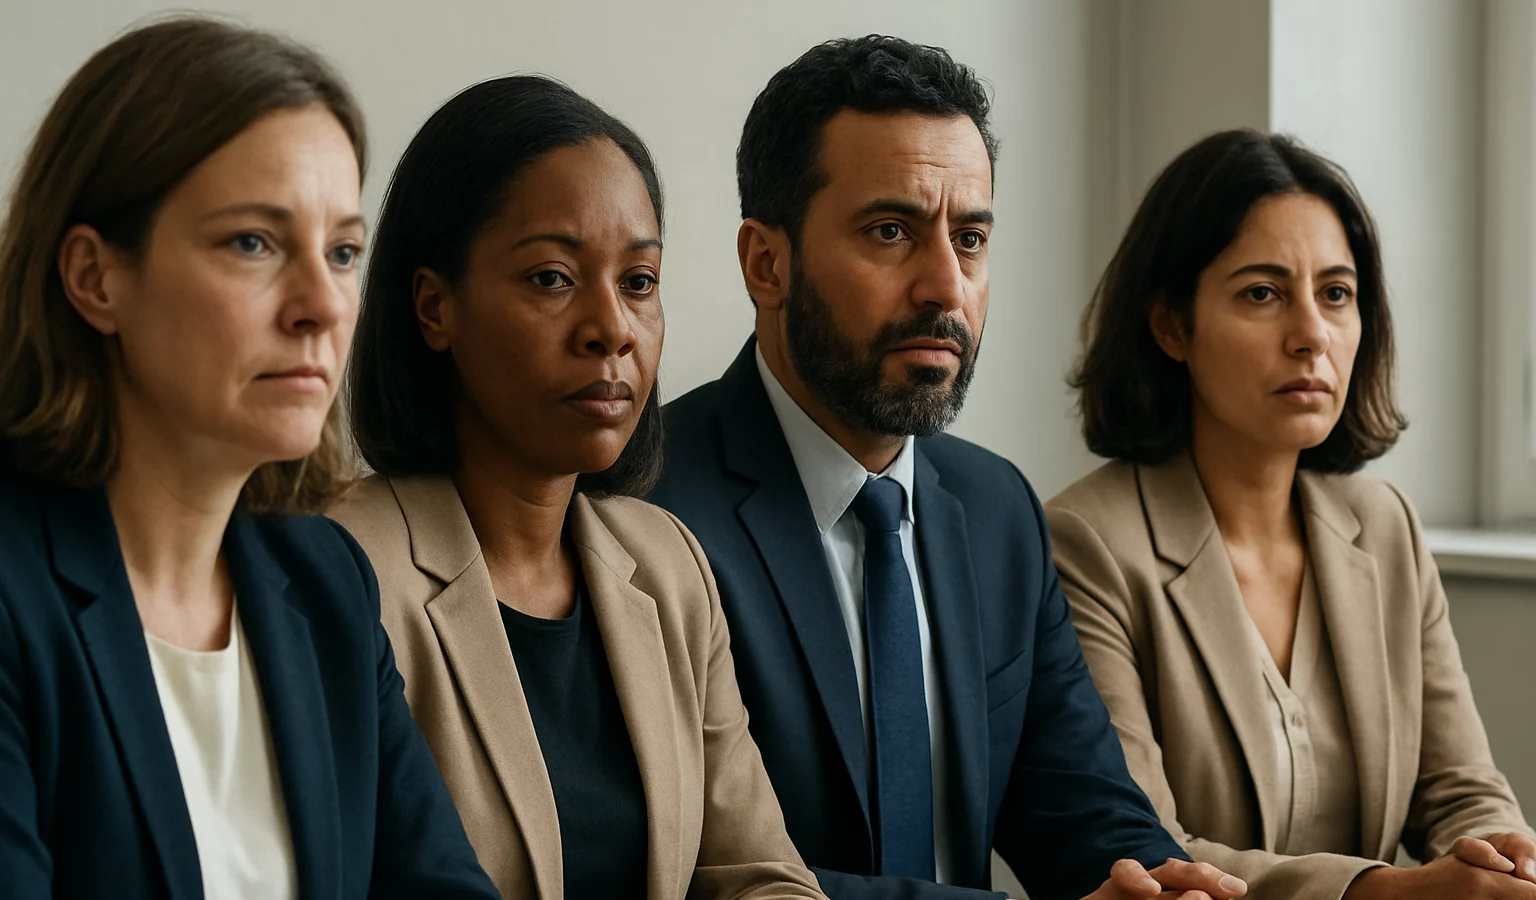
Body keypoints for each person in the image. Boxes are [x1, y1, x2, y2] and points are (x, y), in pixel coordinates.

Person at [648, 35, 1245, 900]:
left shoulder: (997, 508)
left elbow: (1084, 810)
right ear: (766, 264)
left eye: (969, 238)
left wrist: (1167, 887)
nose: (944, 285)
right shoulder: (648, 509)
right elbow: (701, 872)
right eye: (891, 232)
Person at [0, 18, 498, 900]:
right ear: (94, 278)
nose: (323, 305)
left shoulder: (326, 580)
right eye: (253, 243)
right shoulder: (14, 597)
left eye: (342, 252)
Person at [330, 75, 826, 900]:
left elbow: (759, 876)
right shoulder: (344, 572)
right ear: (434, 307)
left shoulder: (667, 564)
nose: (612, 329)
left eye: (639, 281)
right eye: (552, 278)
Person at [1047, 128, 1536, 900]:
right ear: (1171, 324)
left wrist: (1502, 857)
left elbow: (1461, 790)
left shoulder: (1386, 526)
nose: (1312, 336)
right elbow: (1147, 852)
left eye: (1336, 294)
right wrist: (1383, 893)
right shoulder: (1085, 543)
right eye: (1262, 294)